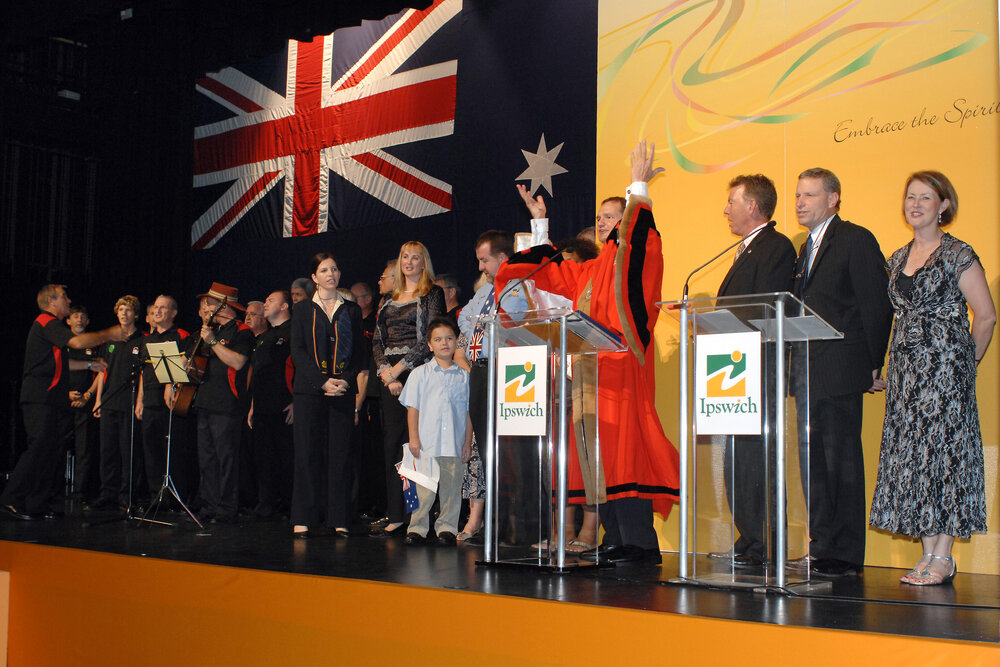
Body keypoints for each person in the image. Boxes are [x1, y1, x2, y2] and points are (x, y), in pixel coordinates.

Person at [498, 140, 680, 564]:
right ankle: (614, 535)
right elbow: (550, 273)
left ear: (627, 219)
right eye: (598, 217)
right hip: (589, 377)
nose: (602, 223)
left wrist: (638, 185)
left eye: (611, 216)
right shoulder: (592, 267)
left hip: (621, 372)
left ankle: (637, 541)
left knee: (624, 453)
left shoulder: (634, 250)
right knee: (598, 458)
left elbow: (640, 243)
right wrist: (539, 222)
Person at [869, 171, 995, 585]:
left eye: (926, 197)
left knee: (946, 459)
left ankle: (944, 555)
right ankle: (927, 553)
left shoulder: (958, 254)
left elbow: (986, 316)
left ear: (943, 205)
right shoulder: (895, 259)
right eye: (910, 197)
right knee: (915, 459)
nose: (916, 204)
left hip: (946, 376)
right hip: (906, 378)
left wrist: (964, 367)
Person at [792, 168, 894, 576]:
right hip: (807, 370)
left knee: (841, 463)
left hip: (841, 368)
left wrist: (872, 363)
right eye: (798, 195)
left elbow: (876, 305)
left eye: (810, 195)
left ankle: (846, 554)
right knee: (814, 463)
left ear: (833, 198)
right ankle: (822, 547)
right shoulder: (804, 248)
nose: (800, 202)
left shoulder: (855, 239)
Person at [709, 175, 796, 567]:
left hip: (756, 366)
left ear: (753, 207)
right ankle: (749, 539)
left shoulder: (775, 247)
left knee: (755, 458)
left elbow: (764, 307)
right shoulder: (745, 249)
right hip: (733, 367)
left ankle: (764, 542)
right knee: (737, 459)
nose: (725, 210)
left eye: (731, 202)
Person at [1, 284, 121, 520]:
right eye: (64, 297)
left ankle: (37, 502)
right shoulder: (46, 322)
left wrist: (89, 365)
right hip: (39, 397)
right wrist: (109, 334)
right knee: (39, 447)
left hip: (53, 399)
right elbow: (76, 344)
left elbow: (59, 363)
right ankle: (10, 499)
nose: (68, 300)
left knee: (52, 450)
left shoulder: (51, 328)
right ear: (51, 301)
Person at [455, 230, 528, 542]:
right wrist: (481, 323)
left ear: (502, 258)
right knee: (485, 449)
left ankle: (516, 526)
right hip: (480, 371)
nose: (481, 267)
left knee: (509, 452)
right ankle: (494, 524)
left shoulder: (518, 286)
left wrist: (483, 324)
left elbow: (511, 321)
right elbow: (464, 318)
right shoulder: (485, 291)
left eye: (485, 260)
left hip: (506, 369)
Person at [371, 242, 445, 537]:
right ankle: (397, 513)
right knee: (393, 446)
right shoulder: (388, 298)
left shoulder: (432, 294)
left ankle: (421, 515)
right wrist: (386, 374)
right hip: (389, 376)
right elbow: (378, 340)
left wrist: (400, 370)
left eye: (416, 258)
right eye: (405, 257)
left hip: (418, 373)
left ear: (424, 263)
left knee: (419, 446)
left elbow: (430, 337)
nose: (410, 262)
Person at [290, 254, 365, 538]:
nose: (330, 273)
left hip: (342, 391)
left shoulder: (352, 310)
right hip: (310, 392)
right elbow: (297, 352)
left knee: (340, 455)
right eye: (324, 270)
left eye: (334, 268)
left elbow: (359, 355)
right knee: (307, 453)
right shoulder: (302, 310)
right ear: (315, 277)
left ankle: (339, 516)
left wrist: (343, 381)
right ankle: (303, 517)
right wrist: (322, 382)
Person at [398, 317, 473, 545]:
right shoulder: (420, 374)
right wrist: (414, 437)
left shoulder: (464, 376)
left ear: (456, 342)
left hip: (454, 443)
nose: (444, 343)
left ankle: (447, 528)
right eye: (438, 339)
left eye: (449, 338)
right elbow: (413, 408)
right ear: (429, 345)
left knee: (451, 489)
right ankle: (417, 528)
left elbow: (468, 413)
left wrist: (467, 443)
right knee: (423, 490)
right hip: (426, 443)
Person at [185, 283, 253, 524]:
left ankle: (226, 507)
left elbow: (237, 362)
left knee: (226, 459)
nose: (206, 306)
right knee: (207, 459)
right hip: (203, 401)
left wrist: (213, 342)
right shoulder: (207, 331)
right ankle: (209, 504)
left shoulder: (242, 331)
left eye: (211, 302)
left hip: (227, 404)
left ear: (225, 305)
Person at [135, 295, 193, 506]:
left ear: (173, 313)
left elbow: (187, 367)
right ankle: (155, 497)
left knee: (174, 451)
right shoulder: (147, 339)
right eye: (155, 308)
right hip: (150, 399)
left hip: (171, 401)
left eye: (162, 308)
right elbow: (143, 372)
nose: (157, 311)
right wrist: (140, 400)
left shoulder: (181, 335)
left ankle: (177, 498)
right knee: (151, 451)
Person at [92, 295, 147, 510]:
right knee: (108, 451)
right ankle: (108, 494)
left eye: (129, 310)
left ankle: (127, 495)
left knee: (128, 451)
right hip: (108, 401)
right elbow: (102, 371)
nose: (124, 313)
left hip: (129, 402)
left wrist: (140, 400)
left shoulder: (142, 340)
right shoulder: (110, 339)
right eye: (121, 309)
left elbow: (143, 373)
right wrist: (98, 400)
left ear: (136, 315)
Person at [247, 290, 294, 519]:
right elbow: (258, 373)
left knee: (285, 458)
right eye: (264, 300)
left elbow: (301, 369)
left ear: (285, 306)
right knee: (263, 459)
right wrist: (253, 406)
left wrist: (296, 402)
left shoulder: (293, 331)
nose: (265, 304)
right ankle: (265, 505)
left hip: (284, 407)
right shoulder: (264, 336)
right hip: (262, 408)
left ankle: (288, 505)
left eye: (270, 300)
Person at [65, 305, 101, 501]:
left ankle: (80, 492)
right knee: (55, 445)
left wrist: (87, 395)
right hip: (63, 401)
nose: (79, 319)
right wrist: (67, 394)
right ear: (68, 320)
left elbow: (102, 371)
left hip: (86, 402)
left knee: (84, 448)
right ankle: (53, 489)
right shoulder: (62, 342)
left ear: (87, 321)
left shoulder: (93, 343)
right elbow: (54, 369)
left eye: (83, 316)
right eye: (75, 316)